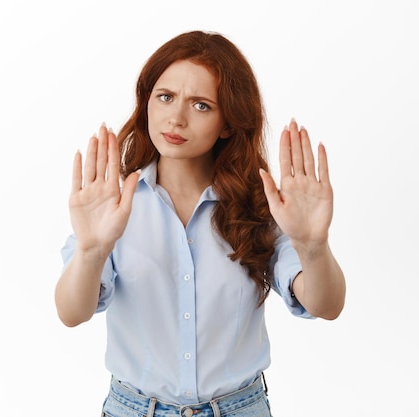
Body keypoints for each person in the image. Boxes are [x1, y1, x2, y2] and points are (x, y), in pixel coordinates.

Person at [55, 30, 346, 417]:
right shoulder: (113, 205)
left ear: (228, 122)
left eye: (202, 105)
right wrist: (91, 252)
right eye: (165, 97)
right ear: (147, 103)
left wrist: (313, 246)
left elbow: (325, 305)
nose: (176, 117)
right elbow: (71, 313)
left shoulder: (260, 206)